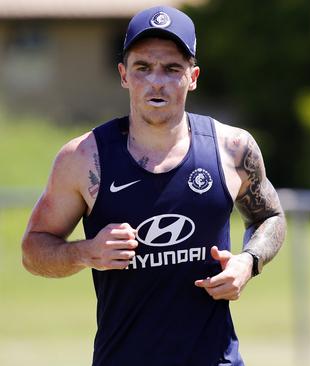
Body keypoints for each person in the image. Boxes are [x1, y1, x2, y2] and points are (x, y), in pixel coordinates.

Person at [21, 6, 286, 366]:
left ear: (193, 76)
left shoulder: (232, 148)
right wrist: (85, 252)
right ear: (123, 75)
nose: (156, 81)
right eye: (143, 68)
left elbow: (270, 216)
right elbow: (34, 249)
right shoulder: (83, 159)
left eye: (172, 69)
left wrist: (248, 262)